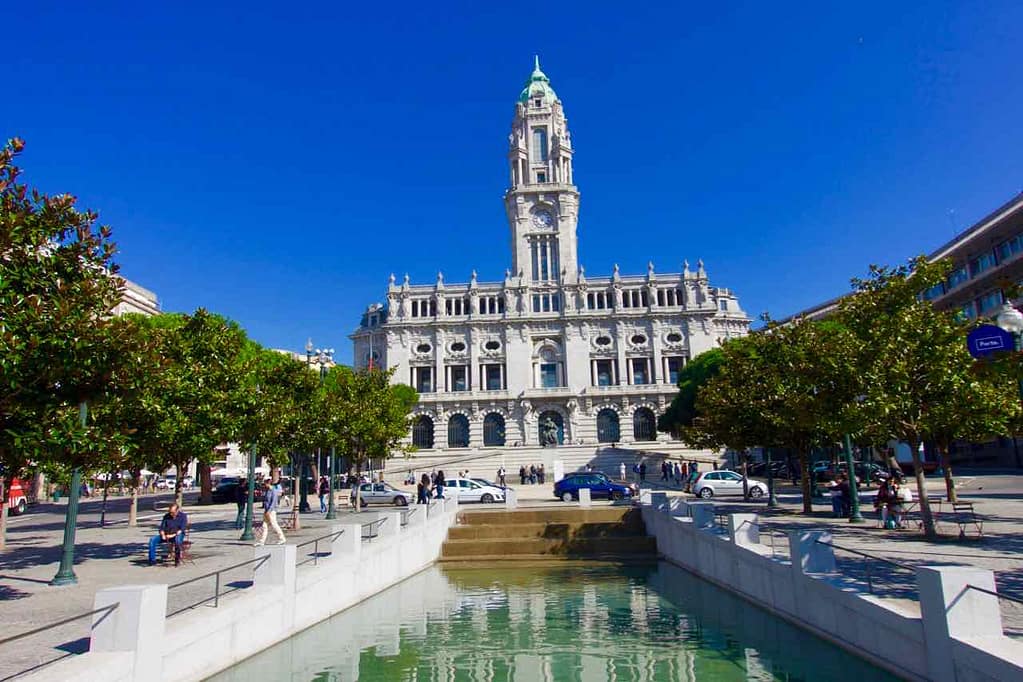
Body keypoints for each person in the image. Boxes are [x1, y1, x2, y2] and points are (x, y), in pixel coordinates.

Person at [255, 479, 286, 546]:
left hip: (271, 511)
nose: (264, 485)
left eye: (265, 484)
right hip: (267, 510)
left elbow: (274, 502)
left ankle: (282, 538)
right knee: (264, 526)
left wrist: (269, 511)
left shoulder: (273, 491)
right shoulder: (267, 491)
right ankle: (262, 541)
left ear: (268, 484)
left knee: (274, 524)